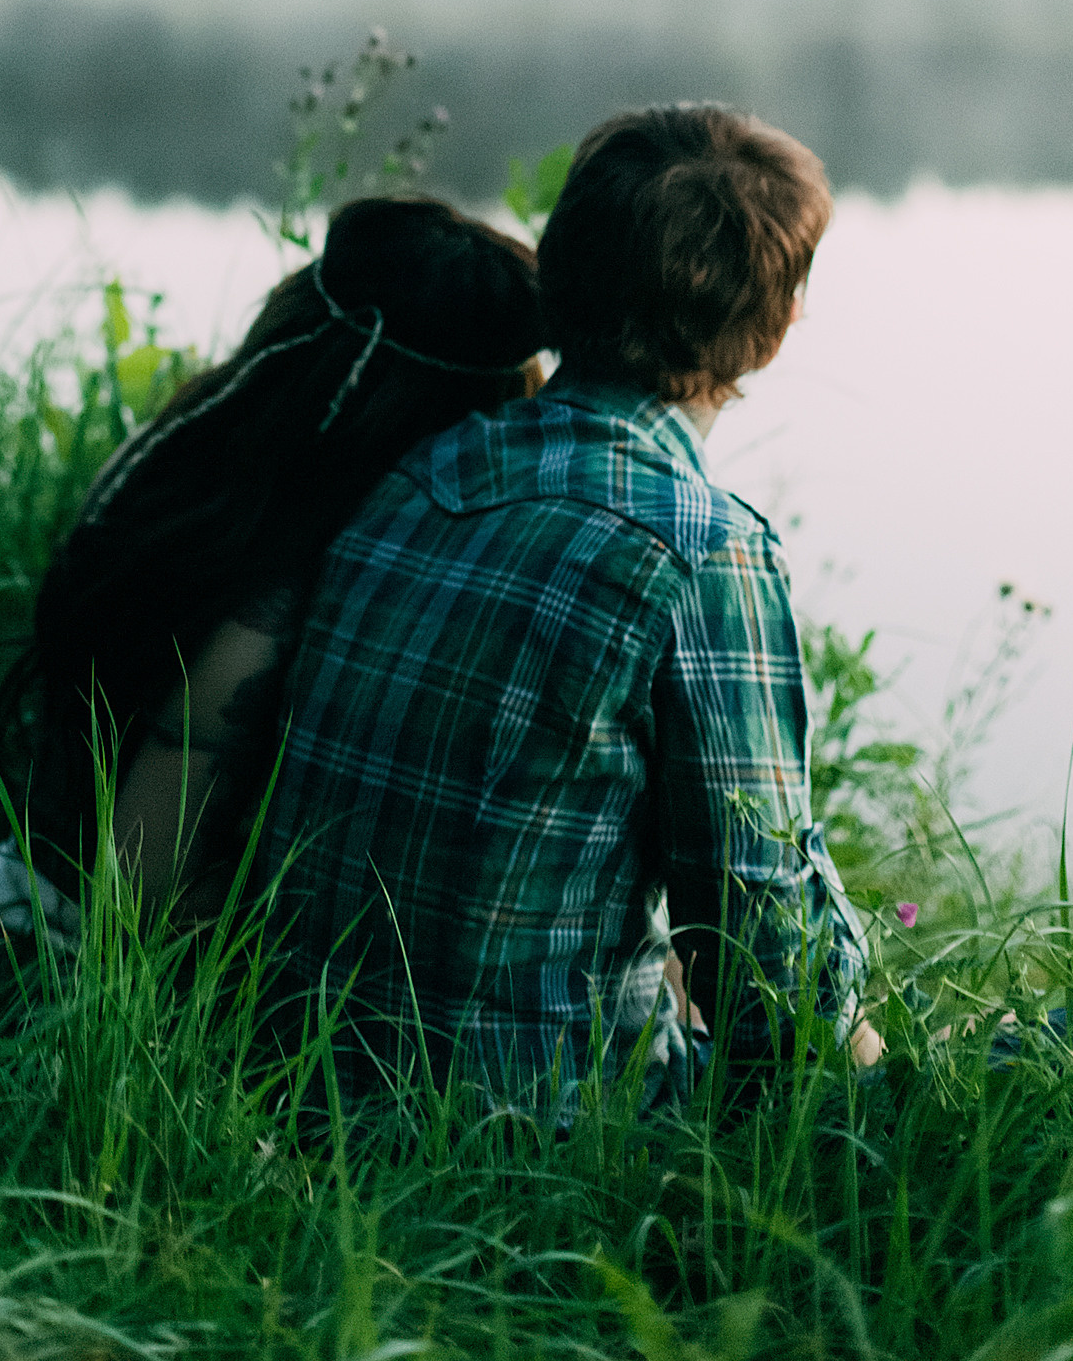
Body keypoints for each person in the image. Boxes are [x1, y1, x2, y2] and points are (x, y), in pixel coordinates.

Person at [259, 103, 872, 1111]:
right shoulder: (699, 546)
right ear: (772, 329)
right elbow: (765, 960)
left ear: (560, 267)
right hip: (535, 1127)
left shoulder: (424, 468)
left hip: (305, 1080)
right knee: (1045, 1067)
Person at [0, 194, 544, 950]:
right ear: (448, 415)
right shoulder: (257, 624)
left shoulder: (185, 456)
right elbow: (141, 892)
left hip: (25, 881)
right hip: (72, 958)